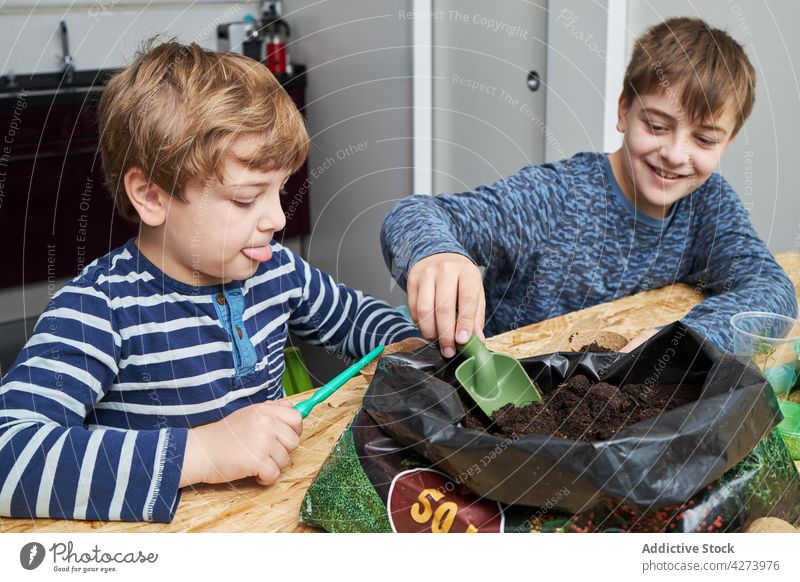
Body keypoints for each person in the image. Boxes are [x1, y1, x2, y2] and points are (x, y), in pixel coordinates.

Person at [0, 41, 419, 522]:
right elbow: (9, 451)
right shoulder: (101, 308)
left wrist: (414, 342)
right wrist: (200, 452)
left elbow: (356, 320)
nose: (278, 218)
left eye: (279, 191)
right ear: (151, 196)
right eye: (245, 199)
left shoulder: (276, 269)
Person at [382, 17, 796, 357]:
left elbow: (772, 290)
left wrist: (685, 338)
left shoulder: (709, 206)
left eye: (704, 139)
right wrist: (437, 253)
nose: (674, 153)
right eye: (656, 125)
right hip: (508, 403)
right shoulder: (557, 197)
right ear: (623, 111)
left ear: (728, 142)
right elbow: (414, 214)